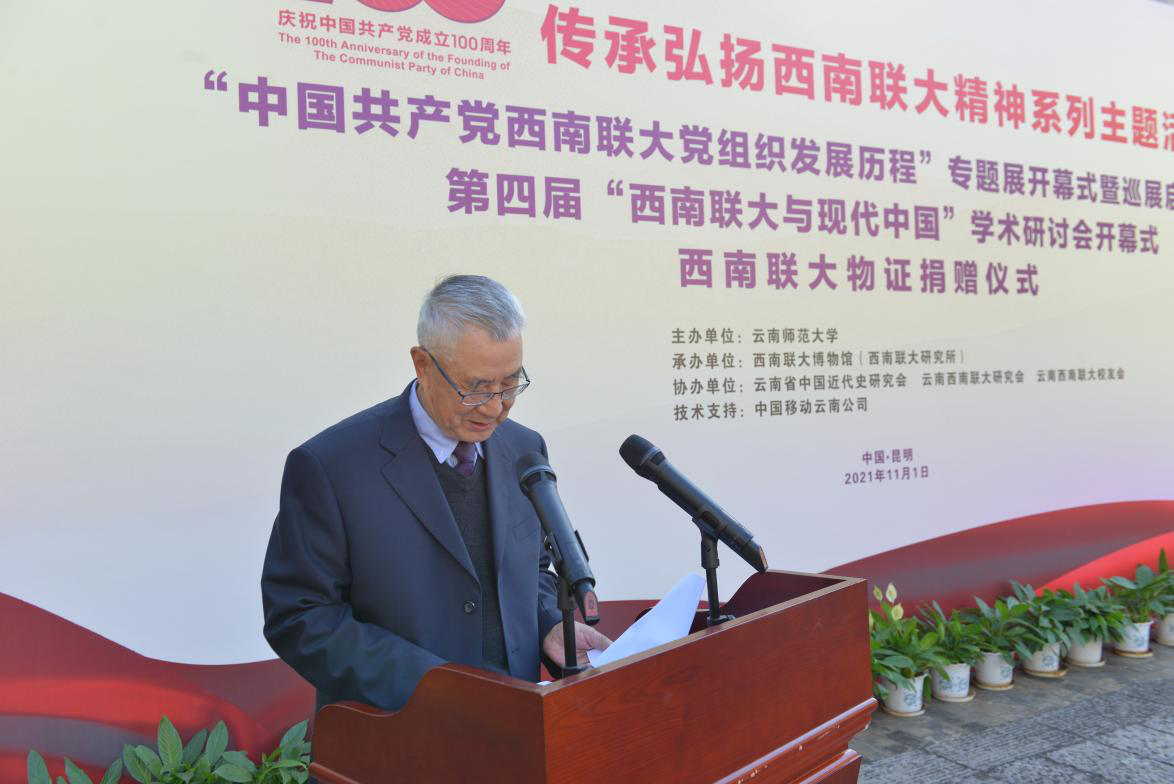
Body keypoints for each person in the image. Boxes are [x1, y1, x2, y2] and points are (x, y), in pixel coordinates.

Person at [261, 275, 610, 714]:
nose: (495, 407)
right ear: (422, 365)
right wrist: (432, 684)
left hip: (516, 721)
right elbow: (300, 615)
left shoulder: (524, 449)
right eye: (476, 387)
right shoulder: (331, 465)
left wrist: (548, 625)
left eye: (510, 384)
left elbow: (533, 568)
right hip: (397, 730)